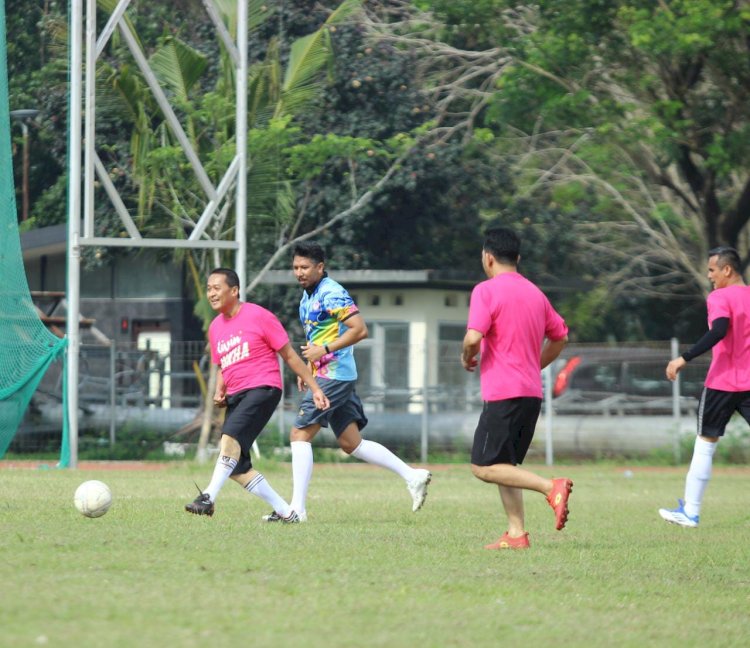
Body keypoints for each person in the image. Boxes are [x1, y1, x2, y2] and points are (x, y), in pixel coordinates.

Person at [263, 241, 431, 522]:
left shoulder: (332, 293)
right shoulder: (308, 296)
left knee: (299, 434)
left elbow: (360, 329)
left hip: (335, 376)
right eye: (295, 267)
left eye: (305, 267)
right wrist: (309, 366)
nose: (299, 272)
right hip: (328, 374)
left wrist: (324, 353)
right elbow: (318, 336)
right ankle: (413, 475)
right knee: (351, 443)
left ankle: (296, 510)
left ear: (320, 267)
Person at [185, 268, 330, 520]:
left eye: (216, 288)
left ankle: (207, 496)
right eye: (208, 288)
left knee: (228, 438)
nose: (211, 293)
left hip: (263, 389)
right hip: (236, 395)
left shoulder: (258, 316)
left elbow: (289, 356)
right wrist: (221, 388)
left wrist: (315, 387)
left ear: (234, 290)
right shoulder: (216, 326)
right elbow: (223, 364)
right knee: (237, 469)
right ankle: (287, 512)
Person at [461, 226, 572, 550]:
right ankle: (516, 533)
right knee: (505, 465)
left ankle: (551, 487)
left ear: (488, 257)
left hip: (503, 393)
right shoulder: (536, 293)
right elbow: (561, 336)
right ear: (518, 258)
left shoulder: (487, 290)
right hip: (530, 393)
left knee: (482, 467)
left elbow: (472, 338)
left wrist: (468, 356)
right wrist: (532, 366)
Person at [659, 246, 750, 528]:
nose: (709, 276)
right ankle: (689, 512)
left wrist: (684, 358)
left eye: (712, 270)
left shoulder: (720, 296)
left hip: (722, 383)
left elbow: (720, 329)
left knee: (705, 444)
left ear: (727, 269)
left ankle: (691, 512)